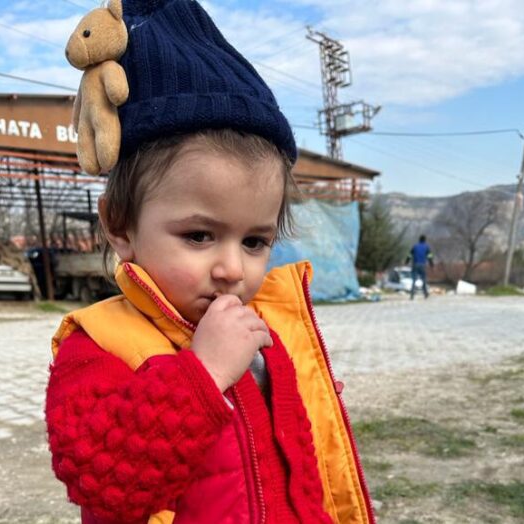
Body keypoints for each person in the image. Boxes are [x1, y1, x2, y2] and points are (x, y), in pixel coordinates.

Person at [45, 1, 374, 523]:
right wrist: (204, 374)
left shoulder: (263, 329)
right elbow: (101, 483)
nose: (232, 269)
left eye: (255, 241)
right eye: (199, 235)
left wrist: (298, 403)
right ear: (120, 225)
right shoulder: (98, 346)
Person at [406, 235, 434, 299]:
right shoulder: (426, 247)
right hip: (422, 265)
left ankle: (412, 295)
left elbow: (409, 255)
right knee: (423, 280)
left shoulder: (415, 246)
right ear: (425, 240)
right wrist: (431, 264)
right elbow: (430, 256)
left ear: (419, 240)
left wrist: (406, 262)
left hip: (415, 264)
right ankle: (425, 293)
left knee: (414, 280)